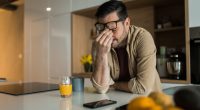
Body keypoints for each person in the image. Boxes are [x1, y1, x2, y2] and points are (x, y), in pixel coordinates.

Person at [91, 0, 161, 94]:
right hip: (118, 101)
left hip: (149, 100)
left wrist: (114, 85)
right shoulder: (99, 44)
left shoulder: (143, 38)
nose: (106, 33)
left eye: (112, 27)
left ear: (127, 23)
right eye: (102, 27)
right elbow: (101, 88)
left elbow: (142, 87)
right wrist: (101, 55)